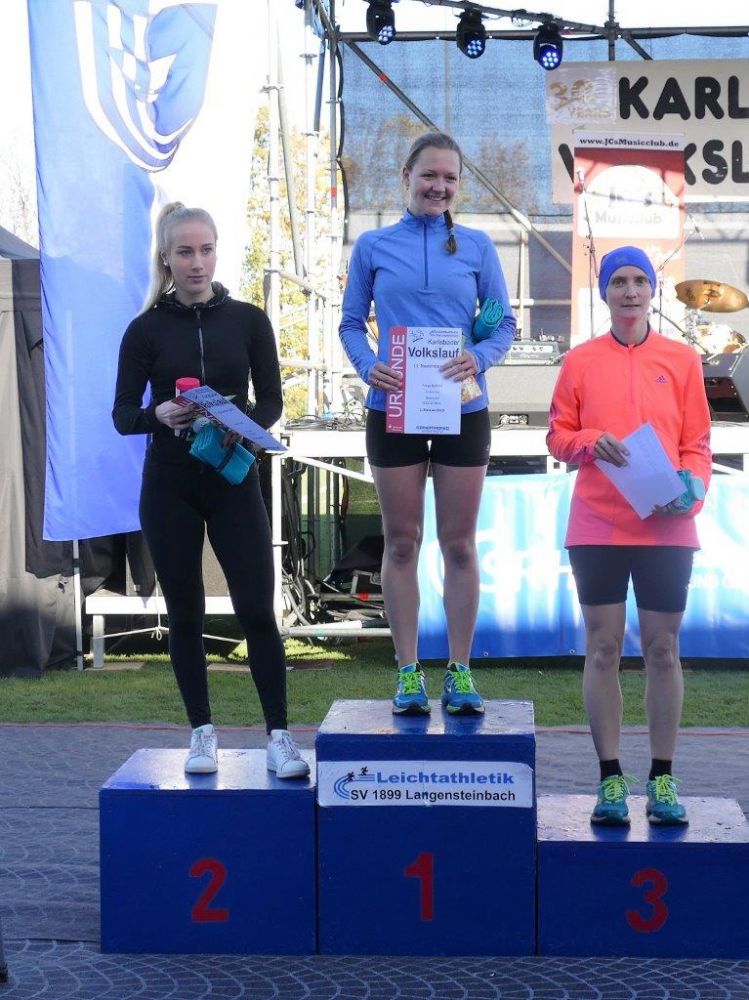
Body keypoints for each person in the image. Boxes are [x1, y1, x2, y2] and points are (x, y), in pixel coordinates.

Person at [113, 202, 309, 779]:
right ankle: (201, 734)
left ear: (217, 252)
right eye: (185, 252)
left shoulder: (248, 320)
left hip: (233, 480)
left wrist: (241, 421)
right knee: (185, 612)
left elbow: (272, 401)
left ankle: (279, 736)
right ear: (166, 259)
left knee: (256, 611)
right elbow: (123, 415)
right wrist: (159, 414)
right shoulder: (145, 329)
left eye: (206, 250)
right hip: (169, 486)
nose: (197, 263)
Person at [339, 132, 516, 715]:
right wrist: (368, 365)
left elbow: (503, 324)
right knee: (402, 542)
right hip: (393, 408)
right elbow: (350, 324)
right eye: (429, 175)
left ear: (459, 184)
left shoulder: (478, 247)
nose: (439, 186)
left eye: (450, 178)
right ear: (406, 177)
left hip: (462, 407)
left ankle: (460, 672)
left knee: (459, 544)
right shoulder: (372, 246)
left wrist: (478, 358)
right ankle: (408, 671)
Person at [547, 245, 712, 826]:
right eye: (618, 281)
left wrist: (692, 489)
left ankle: (662, 777)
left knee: (663, 649)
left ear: (652, 291)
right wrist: (590, 441)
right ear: (604, 293)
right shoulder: (579, 361)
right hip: (598, 523)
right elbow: (558, 437)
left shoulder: (683, 360)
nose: (630, 290)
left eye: (640, 280)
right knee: (603, 648)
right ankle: (610, 778)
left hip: (668, 524)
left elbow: (697, 444)